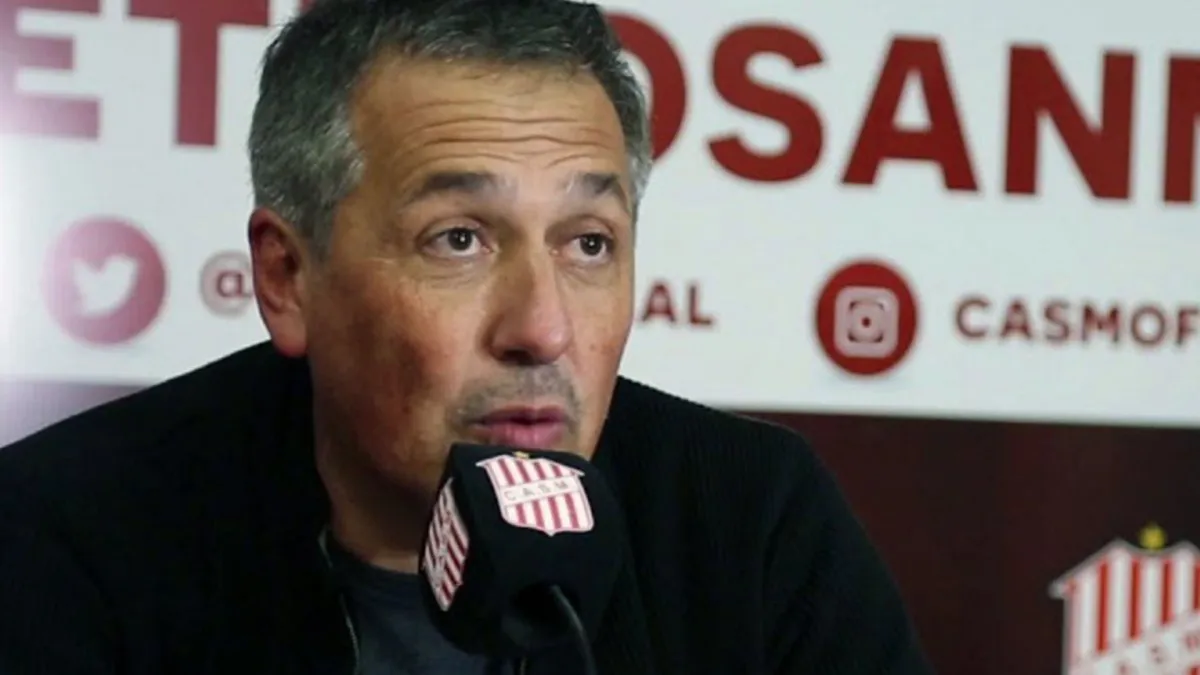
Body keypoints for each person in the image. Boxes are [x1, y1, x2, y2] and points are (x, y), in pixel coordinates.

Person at [0, 0, 932, 673]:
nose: (542, 328)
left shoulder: (753, 525)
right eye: (459, 239)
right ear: (287, 278)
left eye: (588, 242)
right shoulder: (66, 537)